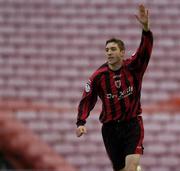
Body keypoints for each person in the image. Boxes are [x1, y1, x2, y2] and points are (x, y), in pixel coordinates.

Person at [76, 4, 153, 171]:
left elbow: (144, 52)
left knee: (131, 167)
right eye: (106, 50)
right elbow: (87, 98)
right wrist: (81, 122)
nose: (109, 52)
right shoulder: (98, 76)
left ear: (122, 52)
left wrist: (146, 29)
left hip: (132, 124)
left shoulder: (134, 67)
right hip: (110, 130)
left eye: (113, 49)